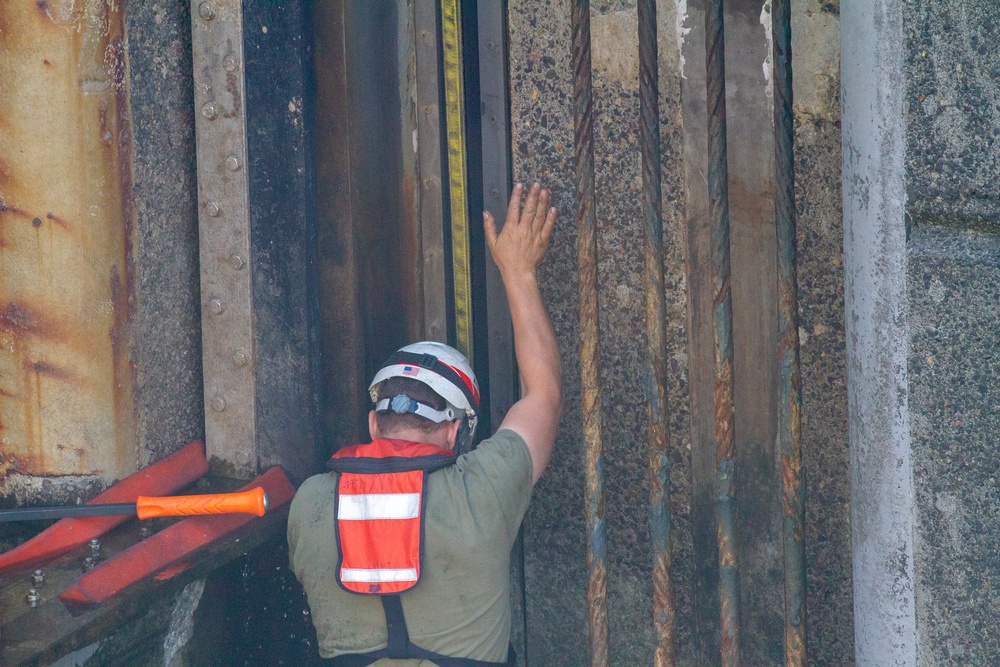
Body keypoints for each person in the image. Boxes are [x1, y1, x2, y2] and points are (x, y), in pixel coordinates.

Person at [288, 182, 562, 666]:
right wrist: (517, 272)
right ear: (456, 432)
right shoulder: (482, 493)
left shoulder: (309, 504)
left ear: (374, 425)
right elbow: (544, 394)